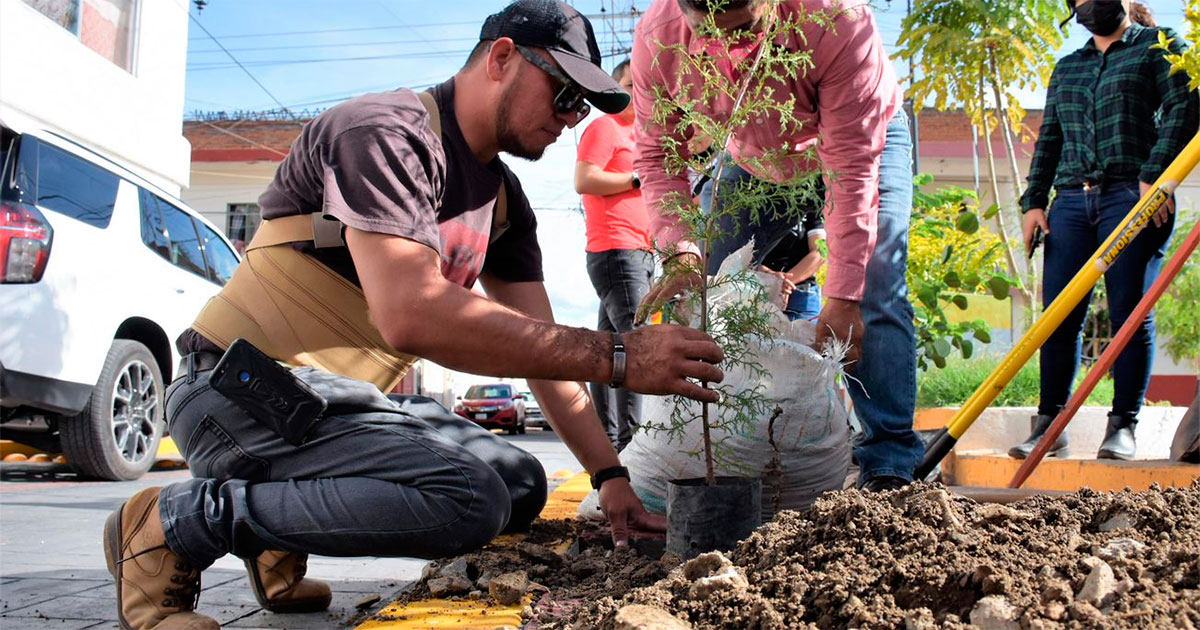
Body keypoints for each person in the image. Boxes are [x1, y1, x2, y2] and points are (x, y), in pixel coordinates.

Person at [102, 3, 727, 629]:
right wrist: (619, 356)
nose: (570, 118)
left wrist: (609, 475)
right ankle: (176, 526)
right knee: (467, 499)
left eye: (582, 106)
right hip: (237, 393)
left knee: (519, 483)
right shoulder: (385, 133)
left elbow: (546, 355)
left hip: (331, 408)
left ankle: (274, 527)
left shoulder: (504, 202)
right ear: (502, 57)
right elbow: (413, 316)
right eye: (563, 92)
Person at [631, 0, 923, 491]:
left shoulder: (837, 20)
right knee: (705, 294)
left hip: (860, 144)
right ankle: (705, 455)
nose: (728, 47)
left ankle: (889, 462)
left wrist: (844, 295)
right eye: (710, 33)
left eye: (744, 28)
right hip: (751, 158)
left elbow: (851, 172)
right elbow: (659, 156)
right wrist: (680, 251)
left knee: (875, 288)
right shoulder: (659, 37)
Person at [1010, 0, 1197, 462]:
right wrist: (1034, 201)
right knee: (1059, 315)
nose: (1089, 5)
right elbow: (1049, 136)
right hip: (1071, 200)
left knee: (1128, 313)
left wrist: (1157, 175)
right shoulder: (1067, 68)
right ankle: (1049, 426)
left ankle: (1122, 427)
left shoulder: (1159, 47)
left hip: (1130, 196)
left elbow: (1184, 106)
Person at [574, 59, 654, 451]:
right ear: (614, 88)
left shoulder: (643, 137)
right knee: (636, 348)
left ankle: (609, 446)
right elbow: (584, 179)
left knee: (610, 350)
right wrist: (638, 177)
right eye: (628, 84)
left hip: (637, 251)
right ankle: (632, 447)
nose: (636, 93)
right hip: (617, 249)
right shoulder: (604, 127)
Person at [758, 210, 827, 322]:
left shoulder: (812, 205)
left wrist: (784, 284)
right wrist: (770, 277)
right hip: (757, 286)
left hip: (801, 293)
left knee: (805, 338)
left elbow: (820, 252)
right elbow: (739, 253)